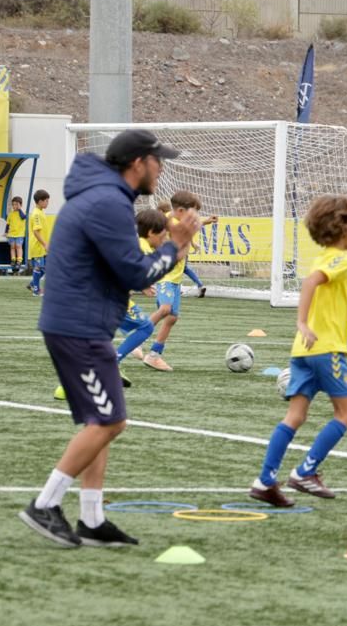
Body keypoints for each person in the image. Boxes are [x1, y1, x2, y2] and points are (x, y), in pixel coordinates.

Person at [22, 129, 195, 548]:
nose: (162, 169)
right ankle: (45, 503)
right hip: (78, 325)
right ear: (138, 163)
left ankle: (92, 518)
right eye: (158, 161)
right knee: (111, 421)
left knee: (100, 422)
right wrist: (174, 247)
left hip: (82, 322)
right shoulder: (108, 202)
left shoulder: (103, 196)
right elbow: (136, 273)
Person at [249, 196, 347, 507]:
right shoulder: (342, 259)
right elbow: (309, 284)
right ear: (345, 229)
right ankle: (305, 471)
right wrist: (302, 321)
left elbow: (327, 307)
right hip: (326, 351)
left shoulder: (323, 257)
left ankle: (265, 481)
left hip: (303, 351)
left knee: (295, 416)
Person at [143, 190, 215, 372]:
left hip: (175, 278)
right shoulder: (168, 223)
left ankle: (154, 354)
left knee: (172, 317)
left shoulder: (175, 220)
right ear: (181, 211)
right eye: (194, 211)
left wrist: (205, 221)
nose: (195, 216)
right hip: (165, 276)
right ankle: (137, 337)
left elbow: (191, 226)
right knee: (165, 310)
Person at [114, 209, 168, 368]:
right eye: (163, 233)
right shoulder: (143, 248)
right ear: (151, 232)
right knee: (145, 327)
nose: (165, 237)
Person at [27, 188, 51, 295]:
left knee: (45, 268)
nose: (47, 203)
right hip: (37, 246)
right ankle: (36, 290)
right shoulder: (36, 213)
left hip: (42, 246)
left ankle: (33, 283)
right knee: (39, 267)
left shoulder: (40, 212)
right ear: (40, 201)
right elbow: (36, 231)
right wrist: (44, 244)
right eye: (46, 201)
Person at [5, 195, 27, 274]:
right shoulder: (11, 214)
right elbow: (7, 224)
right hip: (12, 234)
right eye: (13, 204)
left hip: (19, 234)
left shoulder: (22, 213)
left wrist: (19, 209)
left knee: (18, 246)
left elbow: (24, 217)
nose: (14, 206)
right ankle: (13, 259)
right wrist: (6, 232)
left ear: (20, 205)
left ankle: (19, 260)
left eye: (17, 204)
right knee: (12, 247)